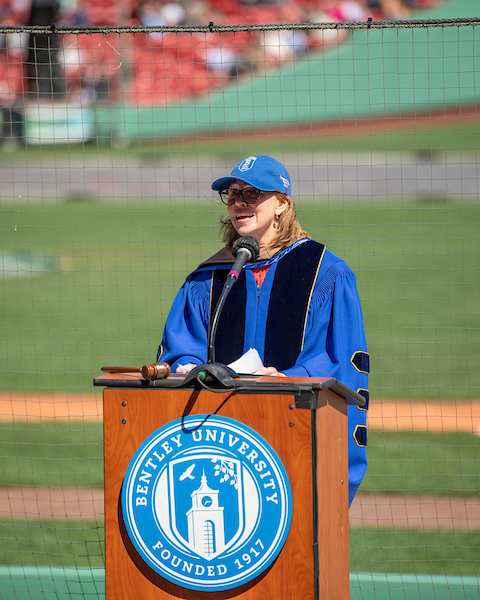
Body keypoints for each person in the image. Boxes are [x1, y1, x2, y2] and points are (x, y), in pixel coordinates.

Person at [157, 155, 369, 505]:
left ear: (282, 204)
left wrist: (287, 377)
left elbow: (339, 364)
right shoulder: (208, 278)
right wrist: (188, 365)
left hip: (296, 437)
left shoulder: (325, 273)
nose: (239, 202)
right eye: (232, 193)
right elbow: (181, 346)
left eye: (252, 193)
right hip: (220, 440)